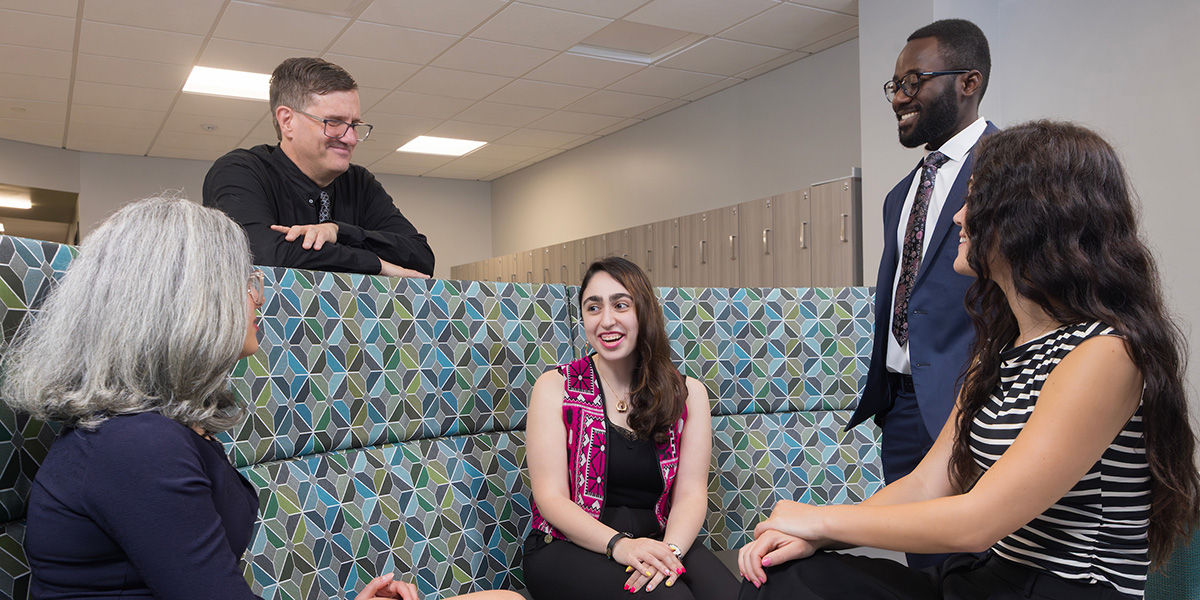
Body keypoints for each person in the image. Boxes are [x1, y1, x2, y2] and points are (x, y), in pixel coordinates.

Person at [736, 121, 1200, 600]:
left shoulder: (1106, 352)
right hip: (990, 577)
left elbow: (978, 521)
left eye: (973, 201)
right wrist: (815, 535)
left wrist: (817, 518)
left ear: (1033, 217)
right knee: (785, 579)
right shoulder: (999, 348)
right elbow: (926, 485)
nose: (958, 217)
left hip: (1067, 590)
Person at [2, 196, 518, 600]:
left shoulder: (154, 427)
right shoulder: (138, 445)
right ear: (184, 302)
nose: (259, 295)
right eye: (242, 280)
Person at [847, 20, 997, 567]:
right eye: (895, 85)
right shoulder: (899, 195)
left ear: (968, 82)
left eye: (915, 81)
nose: (900, 98)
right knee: (922, 569)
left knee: (973, 566)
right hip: (902, 407)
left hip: (973, 403)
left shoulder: (1010, 171)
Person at [523, 257, 738, 599]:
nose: (606, 320)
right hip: (565, 546)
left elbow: (692, 495)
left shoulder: (687, 394)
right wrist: (620, 546)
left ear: (644, 312)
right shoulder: (555, 387)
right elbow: (550, 499)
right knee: (671, 598)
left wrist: (670, 555)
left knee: (731, 596)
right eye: (593, 308)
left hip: (659, 540)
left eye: (621, 305)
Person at [203, 57, 434, 278]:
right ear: (287, 121)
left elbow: (421, 258)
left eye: (354, 125)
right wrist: (377, 265)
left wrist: (338, 231)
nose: (351, 138)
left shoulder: (360, 183)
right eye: (333, 122)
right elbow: (263, 254)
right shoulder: (239, 171)